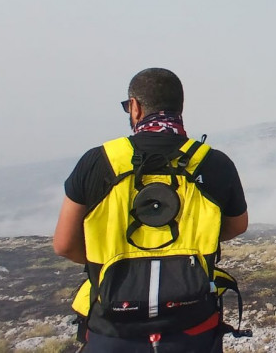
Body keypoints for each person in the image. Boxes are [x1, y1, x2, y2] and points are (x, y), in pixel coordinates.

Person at [54, 68, 248, 352]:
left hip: (114, 331)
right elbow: (237, 225)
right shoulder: (214, 163)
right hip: (193, 330)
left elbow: (64, 244)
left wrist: (107, 257)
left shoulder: (98, 161)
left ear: (135, 107)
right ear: (179, 108)